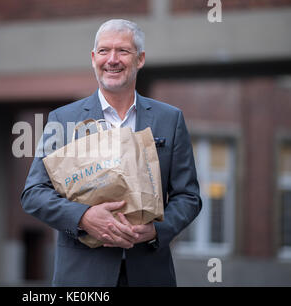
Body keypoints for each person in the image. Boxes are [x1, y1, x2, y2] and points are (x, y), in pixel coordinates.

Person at [21, 19, 202, 287]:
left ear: (140, 59)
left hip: (150, 274)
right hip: (82, 277)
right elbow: (34, 193)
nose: (112, 60)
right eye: (104, 51)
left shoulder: (170, 119)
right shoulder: (63, 119)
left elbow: (188, 196)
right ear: (93, 58)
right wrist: (83, 217)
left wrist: (155, 231)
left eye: (123, 51)